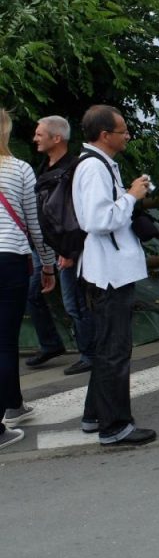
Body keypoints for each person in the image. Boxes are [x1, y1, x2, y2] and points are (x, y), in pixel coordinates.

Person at [71, 105, 156, 446]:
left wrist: (126, 195)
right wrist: (132, 198)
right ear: (105, 135)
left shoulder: (99, 164)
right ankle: (115, 426)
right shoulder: (93, 167)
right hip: (108, 274)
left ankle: (95, 416)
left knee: (108, 347)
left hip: (109, 270)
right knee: (114, 350)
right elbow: (96, 220)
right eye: (122, 131)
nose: (127, 135)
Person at [1, 108, 56, 445]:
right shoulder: (19, 169)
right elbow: (35, 223)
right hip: (9, 259)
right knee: (5, 343)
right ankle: (5, 416)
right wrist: (47, 263)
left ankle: (16, 404)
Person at [33, 115, 95, 375]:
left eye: (39, 134)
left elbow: (73, 215)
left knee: (75, 303)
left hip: (69, 248)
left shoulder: (73, 168)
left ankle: (89, 353)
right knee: (61, 299)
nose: (35, 138)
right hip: (50, 246)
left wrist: (69, 251)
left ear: (56, 138)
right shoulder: (45, 166)